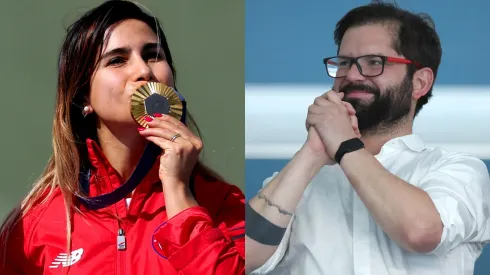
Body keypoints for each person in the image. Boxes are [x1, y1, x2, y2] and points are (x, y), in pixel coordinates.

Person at [0, 1, 245, 274]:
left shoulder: (225, 204)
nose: (144, 71)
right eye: (117, 60)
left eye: (153, 55)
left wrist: (177, 189)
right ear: (83, 95)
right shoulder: (34, 225)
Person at [245, 2, 490, 275]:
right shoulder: (298, 180)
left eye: (374, 62)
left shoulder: (458, 171)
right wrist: (313, 151)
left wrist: (346, 145)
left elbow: (421, 232)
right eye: (345, 62)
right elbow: (239, 257)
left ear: (420, 82)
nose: (351, 75)